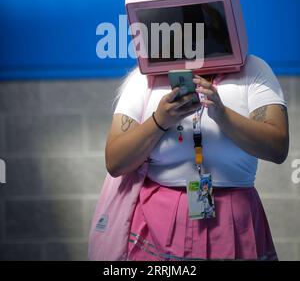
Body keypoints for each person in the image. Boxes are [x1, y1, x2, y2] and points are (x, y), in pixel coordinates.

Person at [105, 54, 289, 261]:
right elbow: (115, 162)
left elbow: (277, 148)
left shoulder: (253, 68)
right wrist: (160, 121)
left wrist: (222, 114)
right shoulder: (146, 77)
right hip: (156, 223)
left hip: (235, 219)